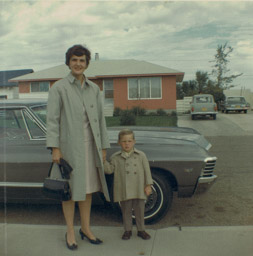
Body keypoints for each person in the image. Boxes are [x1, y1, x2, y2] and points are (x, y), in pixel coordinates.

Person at [46, 44, 110, 250]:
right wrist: (55, 148)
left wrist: (103, 147)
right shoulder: (59, 88)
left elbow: (101, 120)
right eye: (74, 60)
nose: (78, 64)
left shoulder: (94, 89)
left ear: (87, 64)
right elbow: (52, 121)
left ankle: (86, 228)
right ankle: (71, 231)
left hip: (91, 147)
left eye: (82, 60)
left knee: (88, 189)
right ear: (68, 62)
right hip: (69, 150)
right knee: (70, 191)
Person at [103, 129, 153, 240]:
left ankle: (141, 230)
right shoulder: (116, 157)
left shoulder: (141, 155)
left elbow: (147, 171)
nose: (127, 144)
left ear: (134, 142)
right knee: (126, 210)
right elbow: (109, 170)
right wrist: (103, 161)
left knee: (140, 210)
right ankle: (127, 230)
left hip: (138, 187)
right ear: (119, 142)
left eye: (129, 141)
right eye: (124, 141)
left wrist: (148, 184)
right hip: (124, 188)